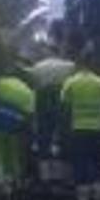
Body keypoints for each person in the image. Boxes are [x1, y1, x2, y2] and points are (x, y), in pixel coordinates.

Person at [60, 56, 100, 200]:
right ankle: (99, 191)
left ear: (78, 66)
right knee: (99, 159)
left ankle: (82, 194)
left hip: (78, 128)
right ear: (92, 65)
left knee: (80, 159)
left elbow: (65, 107)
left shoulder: (70, 82)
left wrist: (65, 128)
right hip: (98, 128)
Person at [27, 52, 77, 189]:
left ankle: (45, 176)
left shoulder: (38, 66)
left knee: (44, 136)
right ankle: (63, 176)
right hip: (61, 98)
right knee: (64, 135)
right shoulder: (69, 66)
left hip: (43, 97)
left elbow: (33, 84)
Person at [0, 71, 36, 199]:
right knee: (12, 153)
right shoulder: (27, 94)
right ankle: (12, 180)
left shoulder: (1, 85)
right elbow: (29, 115)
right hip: (14, 126)